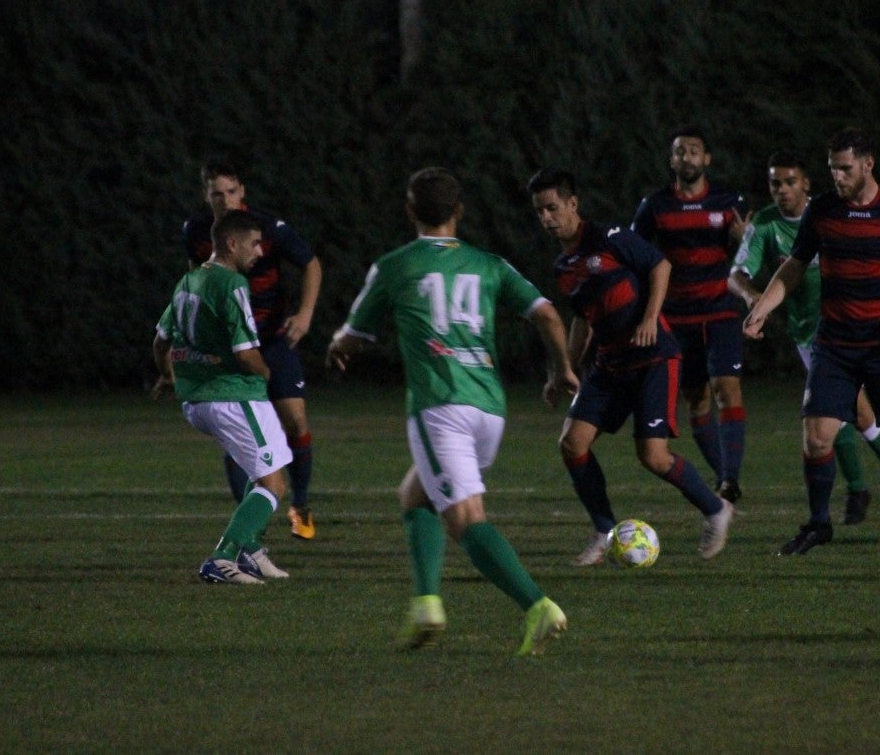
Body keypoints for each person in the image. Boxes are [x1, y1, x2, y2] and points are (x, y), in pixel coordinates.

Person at [326, 167, 575, 657]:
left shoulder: (396, 265)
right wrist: (561, 369)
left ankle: (538, 606)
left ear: (410, 210)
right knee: (415, 495)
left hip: (441, 406)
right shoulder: (490, 264)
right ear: (459, 211)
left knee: (464, 518)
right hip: (489, 408)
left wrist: (339, 344)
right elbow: (547, 313)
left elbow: (353, 334)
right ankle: (425, 604)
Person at [743, 128, 880, 555]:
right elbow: (794, 267)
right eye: (833, 169)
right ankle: (818, 524)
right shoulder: (823, 211)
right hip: (834, 345)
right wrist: (762, 307)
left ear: (868, 164)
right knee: (816, 437)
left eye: (845, 168)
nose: (838, 177)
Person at [527, 167, 733, 567]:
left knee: (653, 456)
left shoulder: (610, 238)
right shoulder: (564, 266)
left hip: (654, 356)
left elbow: (660, 266)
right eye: (539, 212)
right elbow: (583, 320)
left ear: (573, 203)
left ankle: (716, 509)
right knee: (572, 443)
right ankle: (603, 531)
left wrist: (650, 318)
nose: (546, 218)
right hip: (610, 364)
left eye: (552, 208)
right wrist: (564, 369)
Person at [183, 159, 323, 539]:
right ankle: (250, 520)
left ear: (242, 191)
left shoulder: (265, 228)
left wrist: (305, 315)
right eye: (217, 193)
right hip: (231, 345)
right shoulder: (196, 231)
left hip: (272, 338)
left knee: (295, 419)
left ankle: (301, 505)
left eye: (231, 191)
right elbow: (196, 281)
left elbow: (310, 263)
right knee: (238, 430)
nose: (225, 200)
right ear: (206, 196)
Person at [153, 209, 293, 584]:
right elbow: (246, 353)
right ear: (231, 243)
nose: (260, 252)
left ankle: (251, 550)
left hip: (198, 398)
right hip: (232, 396)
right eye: (253, 243)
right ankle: (223, 555)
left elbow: (160, 341)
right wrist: (268, 374)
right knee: (273, 485)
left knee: (267, 468)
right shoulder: (232, 285)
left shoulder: (188, 281)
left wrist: (168, 377)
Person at [630, 125, 749, 502]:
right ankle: (722, 476)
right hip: (677, 316)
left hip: (720, 310)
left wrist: (744, 240)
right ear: (672, 160)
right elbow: (637, 254)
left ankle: (730, 479)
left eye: (694, 151)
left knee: (726, 389)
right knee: (696, 399)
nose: (687, 158)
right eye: (680, 152)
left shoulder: (729, 203)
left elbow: (749, 258)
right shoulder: (656, 205)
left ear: (707, 159)